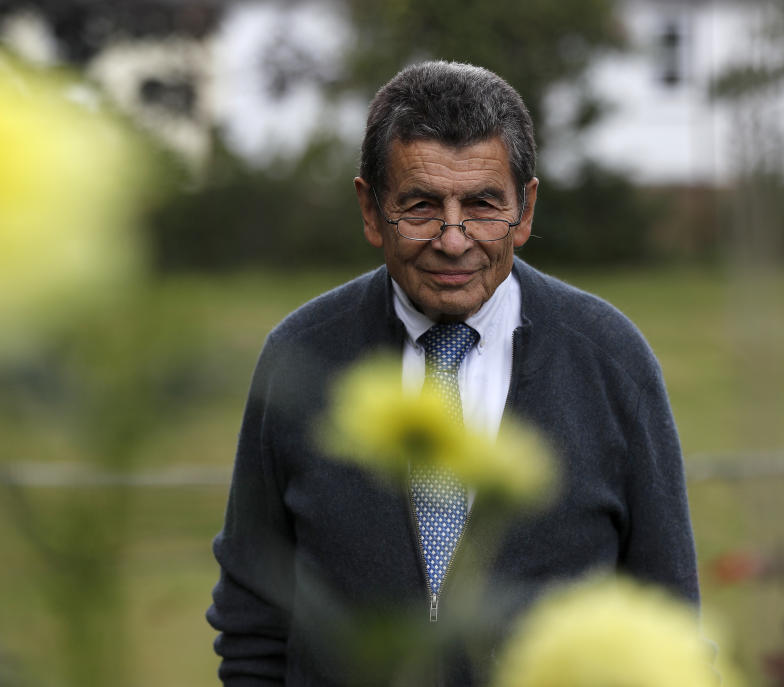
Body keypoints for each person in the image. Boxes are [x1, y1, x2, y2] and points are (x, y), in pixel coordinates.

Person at [207, 60, 699, 686]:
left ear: (525, 210)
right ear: (369, 208)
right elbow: (252, 622)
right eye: (419, 206)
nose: (454, 238)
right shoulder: (299, 360)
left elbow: (670, 625)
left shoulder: (610, 359)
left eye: (483, 204)